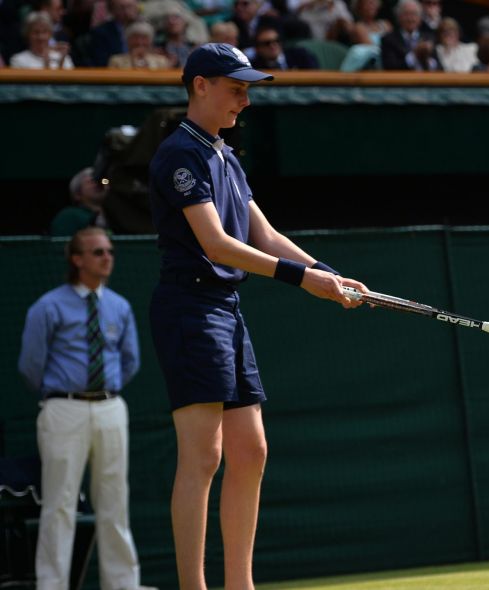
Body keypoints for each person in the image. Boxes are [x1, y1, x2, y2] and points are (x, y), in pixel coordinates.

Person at [147, 42, 367, 589]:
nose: (244, 100)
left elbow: (263, 235)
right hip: (189, 309)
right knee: (204, 457)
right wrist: (302, 280)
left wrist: (327, 272)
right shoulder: (180, 154)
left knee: (252, 450)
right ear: (200, 85)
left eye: (247, 89)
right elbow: (217, 244)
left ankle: (239, 585)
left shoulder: (225, 155)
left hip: (225, 308)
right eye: (236, 88)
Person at [18, 227, 154, 590]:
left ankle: (123, 585)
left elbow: (130, 361)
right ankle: (52, 585)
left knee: (114, 502)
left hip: (111, 407)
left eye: (109, 251)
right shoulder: (48, 306)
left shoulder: (119, 306)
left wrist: (105, 391)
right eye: (97, 252)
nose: (107, 257)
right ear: (76, 259)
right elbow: (31, 364)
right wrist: (62, 393)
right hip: (64, 408)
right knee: (59, 503)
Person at [51, 167, 109, 236]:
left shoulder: (117, 215)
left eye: (103, 181)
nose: (99, 184)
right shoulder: (69, 216)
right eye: (91, 181)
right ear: (77, 194)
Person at [108, 21, 173, 69]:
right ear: (127, 41)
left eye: (144, 38)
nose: (139, 42)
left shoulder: (161, 61)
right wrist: (132, 59)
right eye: (135, 38)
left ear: (150, 41)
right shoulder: (115, 60)